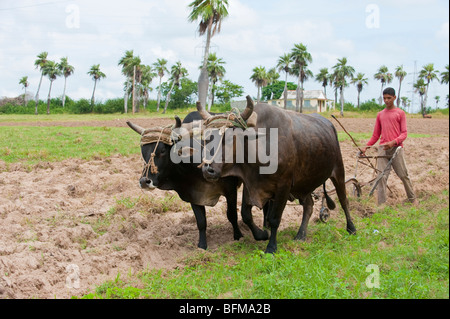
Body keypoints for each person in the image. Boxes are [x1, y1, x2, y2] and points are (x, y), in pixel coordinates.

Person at [361, 87, 417, 206]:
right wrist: (366, 146)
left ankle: (413, 199)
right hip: (383, 149)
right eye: (384, 98)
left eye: (389, 98)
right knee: (381, 177)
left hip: (396, 149)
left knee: (403, 175)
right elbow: (376, 135)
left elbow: (404, 133)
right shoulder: (380, 114)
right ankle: (382, 204)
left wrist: (393, 142)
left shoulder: (400, 113)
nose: (386, 100)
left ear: (394, 98)